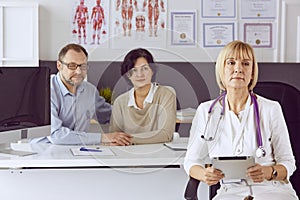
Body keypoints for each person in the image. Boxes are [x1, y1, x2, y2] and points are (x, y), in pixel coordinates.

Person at [184, 41, 298, 199]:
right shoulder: (206, 111)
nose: (238, 68)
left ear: (252, 72)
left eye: (245, 63)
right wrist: (204, 174)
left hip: (271, 190)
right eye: (231, 62)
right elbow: (191, 161)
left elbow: (288, 162)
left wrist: (269, 172)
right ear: (221, 70)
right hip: (231, 192)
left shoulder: (271, 109)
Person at [32, 43, 131, 146]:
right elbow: (56, 135)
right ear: (59, 66)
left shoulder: (90, 90)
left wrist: (137, 112)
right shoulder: (44, 91)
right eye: (72, 66)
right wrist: (103, 138)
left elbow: (109, 115)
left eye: (83, 66)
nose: (79, 71)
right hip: (44, 152)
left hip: (79, 151)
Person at [109, 48, 176, 144]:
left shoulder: (166, 95)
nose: (140, 74)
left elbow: (165, 134)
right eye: (134, 70)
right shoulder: (120, 101)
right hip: (127, 154)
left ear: (152, 71)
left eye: (145, 68)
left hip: (159, 154)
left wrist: (129, 139)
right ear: (128, 75)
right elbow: (114, 136)